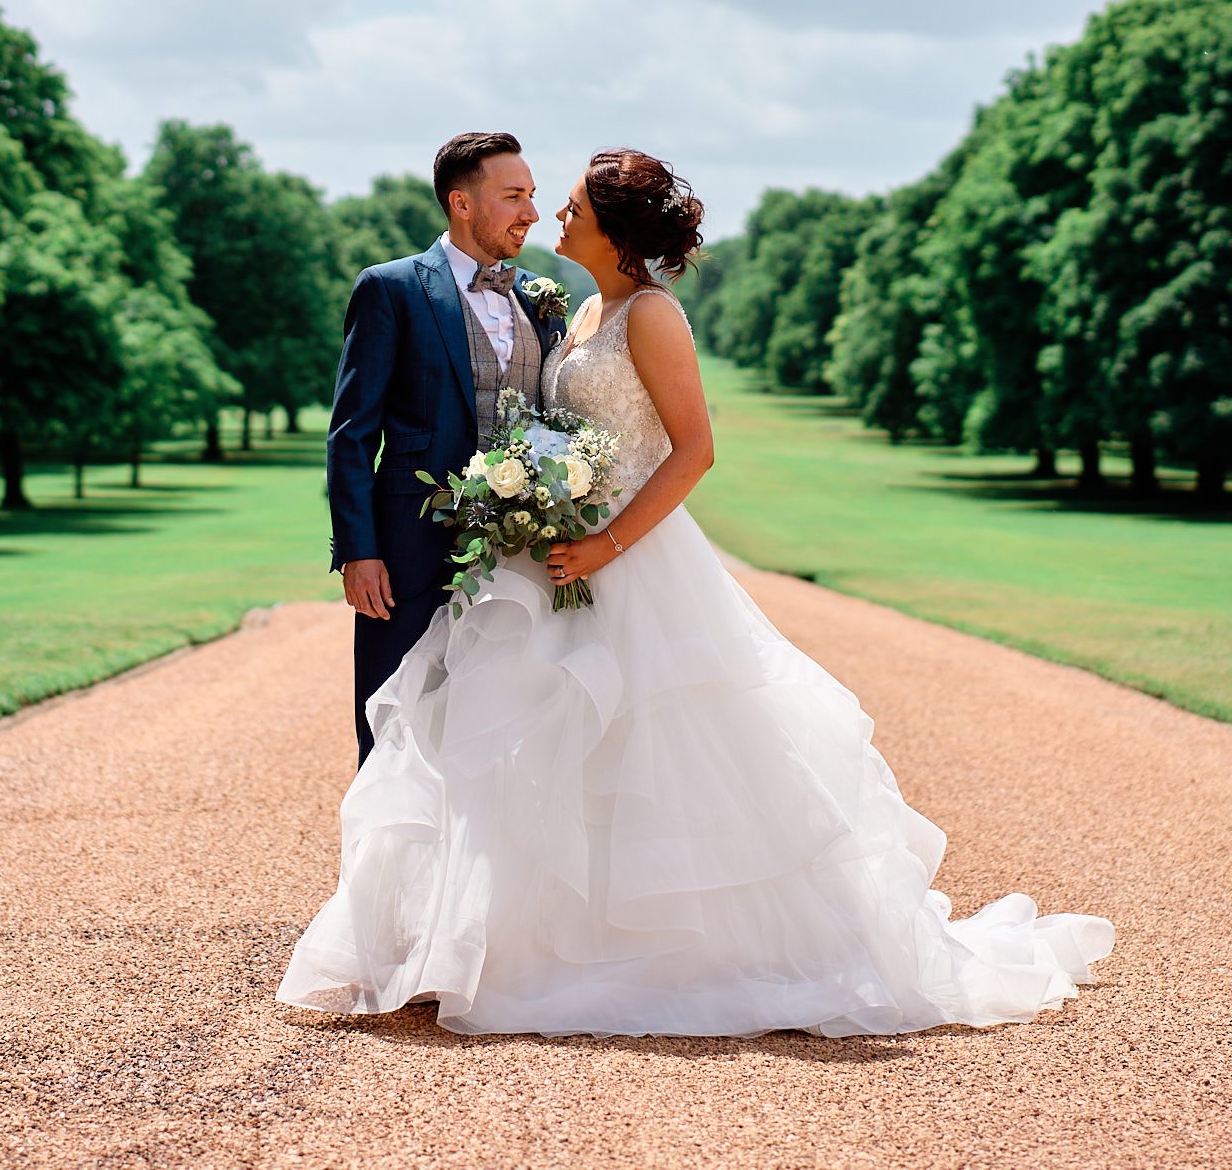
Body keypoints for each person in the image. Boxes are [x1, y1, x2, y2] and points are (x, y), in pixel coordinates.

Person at [282, 147, 1113, 1038]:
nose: (546, 215)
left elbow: (693, 448)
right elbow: (383, 426)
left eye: (560, 204)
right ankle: (459, 941)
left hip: (624, 560)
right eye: (527, 197)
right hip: (520, 556)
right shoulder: (558, 303)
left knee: (649, 746)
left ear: (611, 226)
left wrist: (602, 540)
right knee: (493, 741)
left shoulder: (637, 312)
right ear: (462, 201)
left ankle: (664, 950)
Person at [324, 131, 566, 765]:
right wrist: (359, 551)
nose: (532, 214)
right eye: (514, 197)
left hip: (520, 557)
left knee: (511, 734)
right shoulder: (391, 289)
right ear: (462, 203)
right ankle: (383, 866)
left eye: (533, 196)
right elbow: (352, 434)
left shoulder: (540, 299)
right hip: (408, 554)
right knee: (393, 723)